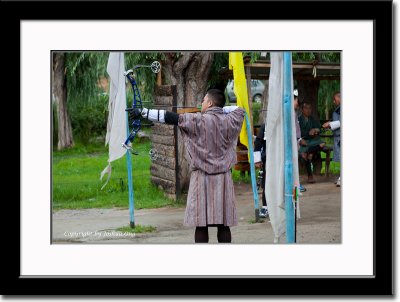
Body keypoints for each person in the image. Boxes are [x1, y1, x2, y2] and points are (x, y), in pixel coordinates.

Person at [136, 89, 245, 243]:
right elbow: (240, 110)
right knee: (223, 225)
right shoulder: (231, 120)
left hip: (202, 178)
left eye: (204, 100)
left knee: (201, 224)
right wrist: (221, 110)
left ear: (210, 103)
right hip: (223, 179)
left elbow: (171, 118)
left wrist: (144, 112)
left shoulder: (197, 120)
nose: (201, 103)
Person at [298, 102, 326, 183]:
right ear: (302, 110)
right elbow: (298, 133)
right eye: (306, 108)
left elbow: (319, 128)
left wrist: (315, 130)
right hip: (304, 140)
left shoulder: (312, 118)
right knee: (308, 150)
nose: (308, 110)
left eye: (310, 108)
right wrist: (308, 133)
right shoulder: (299, 119)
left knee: (321, 143)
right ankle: (310, 175)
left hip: (313, 140)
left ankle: (309, 153)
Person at [322, 91, 341, 187]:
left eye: (335, 99)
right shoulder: (339, 109)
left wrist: (329, 124)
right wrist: (330, 124)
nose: (334, 102)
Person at [293, 89, 307, 192]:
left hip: (296, 141)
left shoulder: (294, 112)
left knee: (295, 163)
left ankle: (296, 184)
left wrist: (299, 139)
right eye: (297, 101)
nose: (298, 104)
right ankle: (295, 185)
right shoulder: (289, 113)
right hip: (291, 142)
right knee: (292, 164)